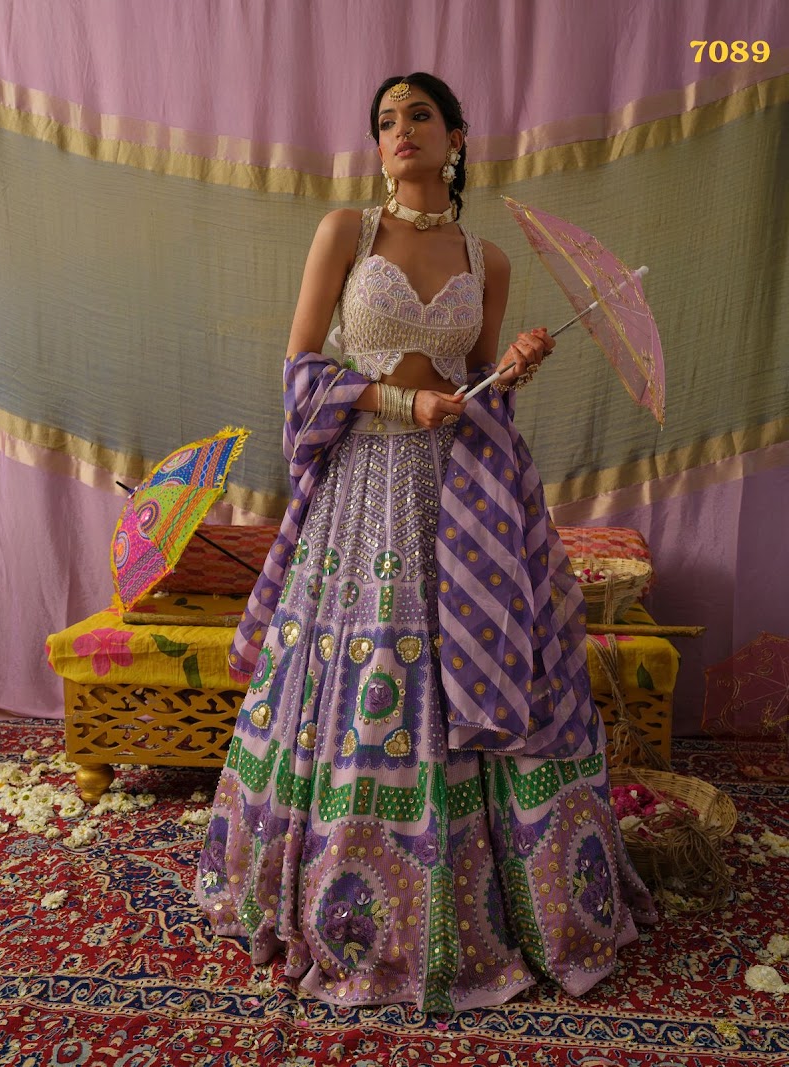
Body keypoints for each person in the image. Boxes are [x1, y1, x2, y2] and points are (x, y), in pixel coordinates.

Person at [196, 72, 655, 1012]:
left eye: (418, 116)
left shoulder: (490, 260)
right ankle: (343, 895)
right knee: (372, 671)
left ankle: (494, 906)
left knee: (474, 657)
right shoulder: (347, 233)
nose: (399, 130)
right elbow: (301, 373)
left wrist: (510, 368)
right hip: (364, 492)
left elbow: (476, 387)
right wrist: (402, 400)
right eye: (385, 121)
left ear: (456, 136)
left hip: (461, 495)